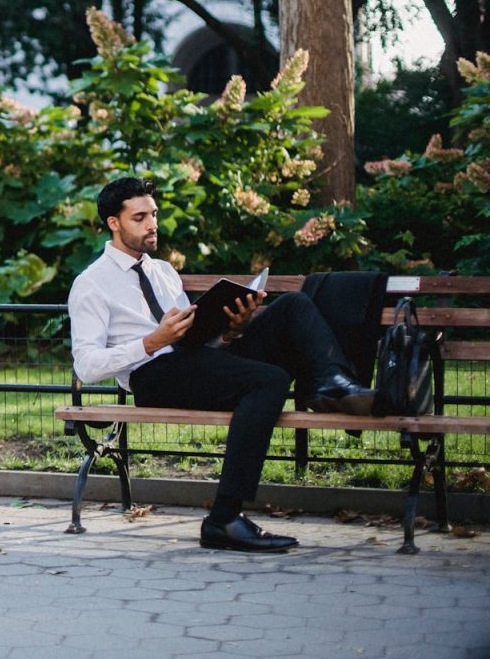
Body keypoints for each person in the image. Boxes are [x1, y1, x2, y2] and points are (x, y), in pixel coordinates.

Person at [68, 177, 376, 553]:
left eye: (154, 215)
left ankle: (335, 385)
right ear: (113, 223)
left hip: (195, 361)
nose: (152, 225)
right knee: (269, 380)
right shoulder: (91, 283)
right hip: (153, 377)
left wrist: (232, 329)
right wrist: (151, 342)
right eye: (139, 217)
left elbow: (200, 342)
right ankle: (224, 519)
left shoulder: (163, 271)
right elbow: (86, 365)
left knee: (292, 306)